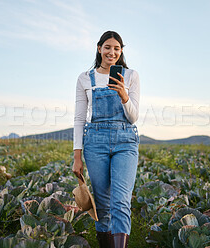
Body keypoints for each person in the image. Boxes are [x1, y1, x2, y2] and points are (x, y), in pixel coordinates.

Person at [72, 31, 140, 248]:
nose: (112, 52)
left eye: (117, 48)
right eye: (108, 47)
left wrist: (124, 95)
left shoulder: (130, 76)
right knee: (102, 205)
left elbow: (133, 116)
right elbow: (80, 118)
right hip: (95, 142)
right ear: (99, 48)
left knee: (120, 201)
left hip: (125, 140)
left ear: (121, 52)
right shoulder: (85, 77)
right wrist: (77, 156)